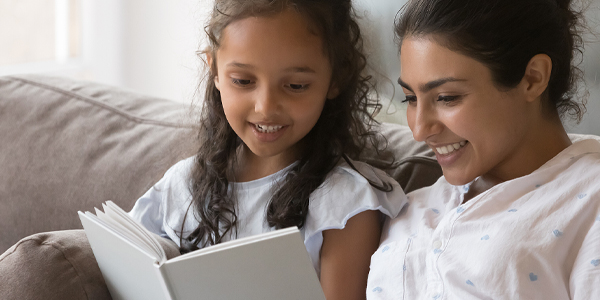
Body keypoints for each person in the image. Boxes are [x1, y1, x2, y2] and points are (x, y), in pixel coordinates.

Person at [129, 0, 406, 299]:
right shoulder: (182, 183)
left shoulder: (346, 203)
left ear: (336, 77)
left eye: (296, 86)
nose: (266, 107)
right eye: (243, 81)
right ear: (215, 70)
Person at [367, 0, 600, 299]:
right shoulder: (407, 203)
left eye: (447, 97)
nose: (419, 130)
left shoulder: (587, 202)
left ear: (533, 78)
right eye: (410, 99)